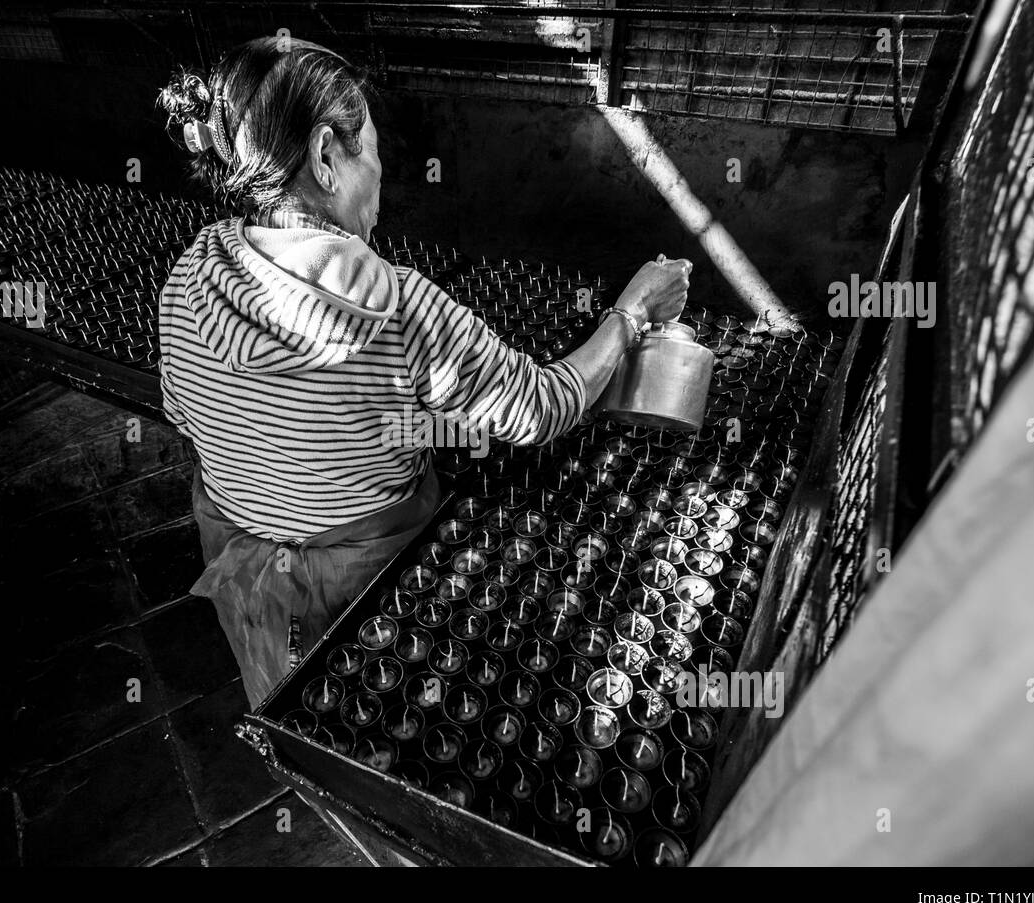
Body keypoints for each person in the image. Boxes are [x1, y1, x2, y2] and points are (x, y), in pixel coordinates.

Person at [156, 37, 691, 710]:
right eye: (371, 150)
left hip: (243, 571)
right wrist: (630, 313)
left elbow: (192, 416)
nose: (380, 174)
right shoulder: (399, 308)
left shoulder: (187, 278)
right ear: (326, 156)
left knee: (299, 710)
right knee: (383, 710)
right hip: (363, 585)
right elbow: (544, 407)